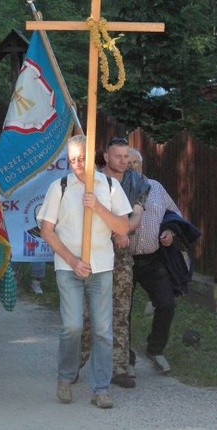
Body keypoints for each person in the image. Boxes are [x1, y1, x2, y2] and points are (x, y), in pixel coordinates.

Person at [37, 135, 131, 409]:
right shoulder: (60, 187)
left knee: (103, 330)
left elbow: (123, 228)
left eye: (82, 158)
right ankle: (66, 377)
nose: (77, 164)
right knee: (72, 326)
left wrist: (98, 207)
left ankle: (100, 388)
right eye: (73, 159)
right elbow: (46, 230)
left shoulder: (110, 185)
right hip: (69, 267)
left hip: (101, 268)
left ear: (93, 158)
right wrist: (72, 259)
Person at [82, 137, 150, 389]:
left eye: (127, 157)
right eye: (118, 156)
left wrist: (123, 232)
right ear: (107, 157)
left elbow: (137, 214)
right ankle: (76, 362)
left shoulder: (138, 182)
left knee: (120, 310)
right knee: (89, 312)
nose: (124, 161)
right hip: (95, 249)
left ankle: (119, 367)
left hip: (121, 253)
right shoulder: (93, 180)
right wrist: (115, 231)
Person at [128, 148, 192, 375]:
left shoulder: (155, 187)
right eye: (127, 161)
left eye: (136, 162)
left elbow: (174, 215)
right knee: (122, 308)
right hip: (125, 259)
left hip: (153, 258)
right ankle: (126, 358)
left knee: (166, 304)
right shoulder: (115, 187)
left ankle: (155, 349)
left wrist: (170, 233)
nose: (132, 166)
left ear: (142, 165)